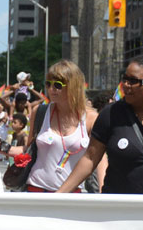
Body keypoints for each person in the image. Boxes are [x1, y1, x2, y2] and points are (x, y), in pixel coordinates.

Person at [57, 56, 143, 195]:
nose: (126, 85)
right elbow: (90, 158)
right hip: (117, 203)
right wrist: (59, 195)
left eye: (133, 81)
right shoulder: (111, 113)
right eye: (125, 79)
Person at [24, 60, 98, 193]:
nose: (51, 89)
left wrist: (102, 193)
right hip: (36, 189)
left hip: (71, 194)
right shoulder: (40, 112)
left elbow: (99, 159)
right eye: (48, 84)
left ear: (73, 86)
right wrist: (1, 146)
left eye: (57, 85)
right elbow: (28, 149)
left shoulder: (91, 118)